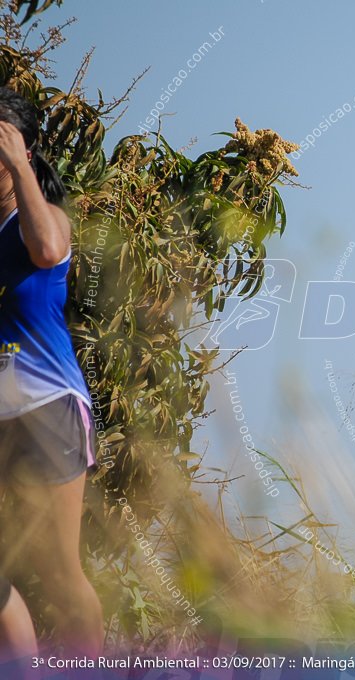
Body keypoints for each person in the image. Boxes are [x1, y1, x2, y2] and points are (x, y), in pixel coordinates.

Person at [0, 87, 103, 658]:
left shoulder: (42, 219)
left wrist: (21, 166)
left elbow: (47, 250)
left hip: (47, 409)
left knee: (59, 574)